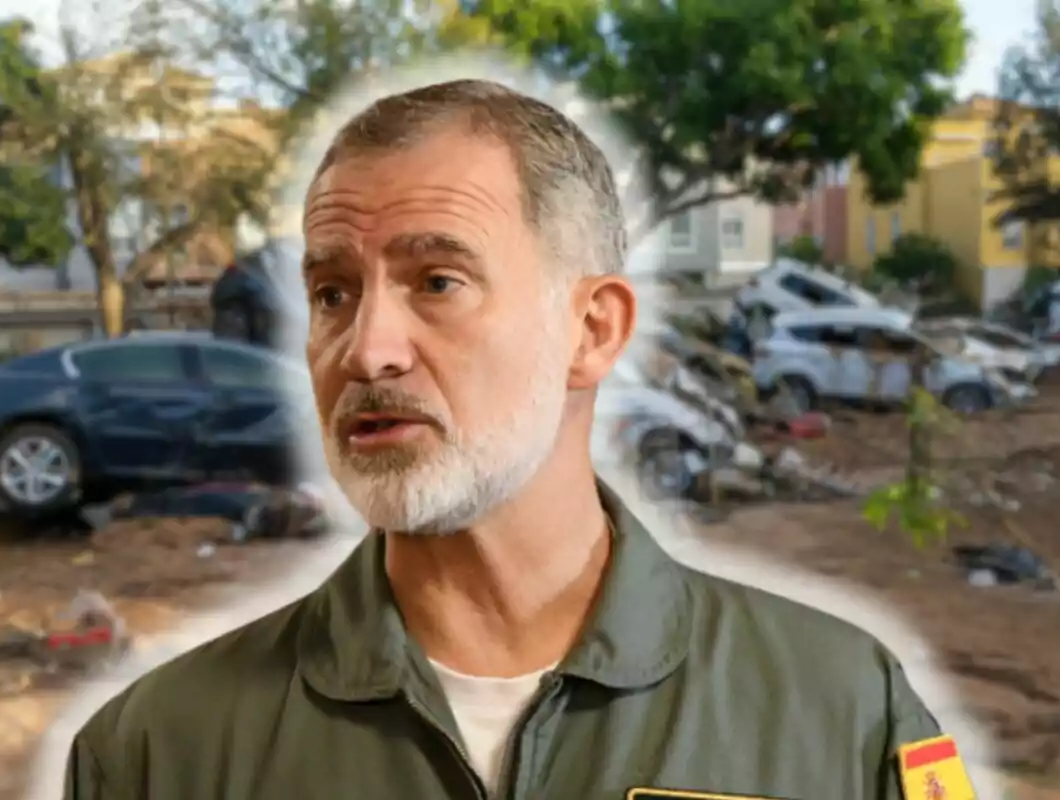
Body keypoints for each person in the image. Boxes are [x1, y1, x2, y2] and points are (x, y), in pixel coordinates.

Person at [62, 79, 973, 800]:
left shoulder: (844, 711)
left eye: (439, 281)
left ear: (593, 330)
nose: (366, 350)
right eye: (333, 294)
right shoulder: (155, 754)